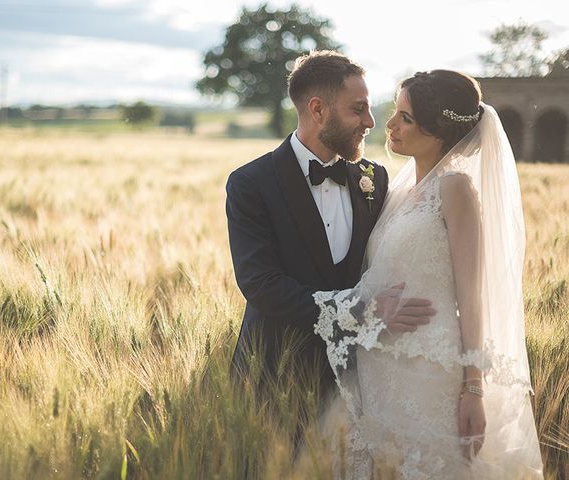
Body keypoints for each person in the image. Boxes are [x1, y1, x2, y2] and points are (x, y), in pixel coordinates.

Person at [314, 70, 544, 478]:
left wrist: (473, 387)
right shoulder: (398, 190)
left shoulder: (456, 189)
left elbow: (473, 296)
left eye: (405, 117)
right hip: (378, 362)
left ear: (436, 130)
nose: (389, 124)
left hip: (429, 371)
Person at [225, 50, 434, 401]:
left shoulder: (374, 178)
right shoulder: (250, 183)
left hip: (357, 378)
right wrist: (361, 310)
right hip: (272, 377)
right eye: (358, 109)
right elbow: (261, 285)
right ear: (318, 110)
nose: (370, 122)